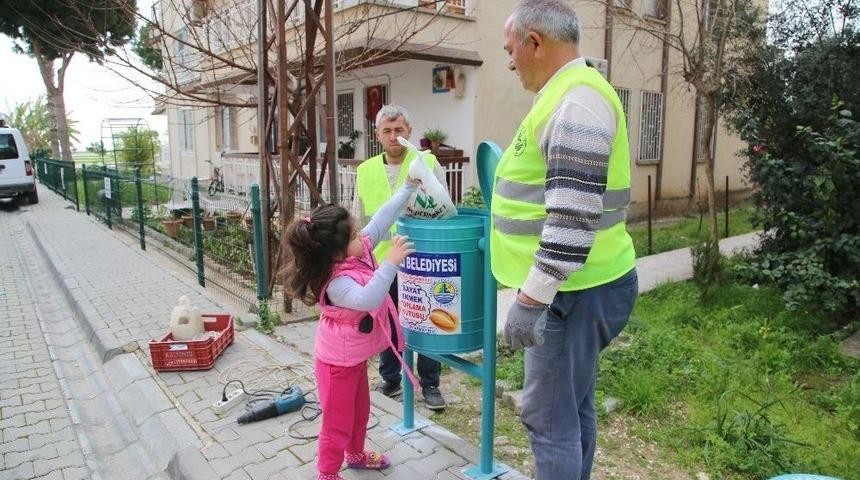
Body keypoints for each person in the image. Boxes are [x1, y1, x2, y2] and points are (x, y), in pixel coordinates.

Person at [494, 1, 639, 479]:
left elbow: (571, 223)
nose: (510, 62)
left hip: (571, 294)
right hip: (580, 289)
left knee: (548, 416)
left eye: (512, 49)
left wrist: (531, 299)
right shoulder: (569, 94)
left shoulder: (575, 101)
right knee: (571, 408)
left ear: (535, 42)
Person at [285, 181, 420, 480]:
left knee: (360, 413)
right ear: (337, 252)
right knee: (337, 423)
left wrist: (407, 189)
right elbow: (368, 299)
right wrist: (390, 264)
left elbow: (382, 219)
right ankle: (328, 472)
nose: (364, 235)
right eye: (356, 234)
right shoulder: (336, 282)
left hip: (353, 360)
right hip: (336, 366)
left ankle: (356, 454)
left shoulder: (355, 251)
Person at [351, 104, 448, 410]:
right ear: (378, 135)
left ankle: (430, 383)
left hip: (422, 260)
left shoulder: (427, 163)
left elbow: (445, 209)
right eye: (387, 131)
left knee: (428, 320)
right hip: (383, 262)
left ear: (409, 131)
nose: (394, 136)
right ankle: (391, 378)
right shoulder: (365, 170)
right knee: (388, 322)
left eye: (399, 130)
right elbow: (358, 217)